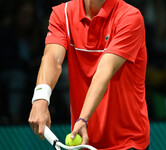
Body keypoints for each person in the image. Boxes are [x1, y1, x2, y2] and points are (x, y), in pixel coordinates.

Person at [28, 0, 150, 149]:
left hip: (127, 141)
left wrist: (83, 119)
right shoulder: (63, 14)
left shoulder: (129, 17)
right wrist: (40, 99)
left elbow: (104, 70)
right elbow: (53, 58)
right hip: (84, 141)